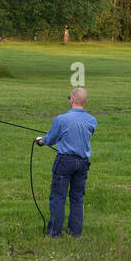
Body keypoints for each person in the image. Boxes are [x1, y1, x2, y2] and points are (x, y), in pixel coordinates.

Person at [36, 87, 98, 238]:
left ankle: (54, 233)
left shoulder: (61, 119)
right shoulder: (92, 120)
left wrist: (41, 141)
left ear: (71, 100)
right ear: (85, 102)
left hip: (65, 162)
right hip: (82, 163)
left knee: (58, 197)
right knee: (77, 197)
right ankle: (75, 232)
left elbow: (51, 139)